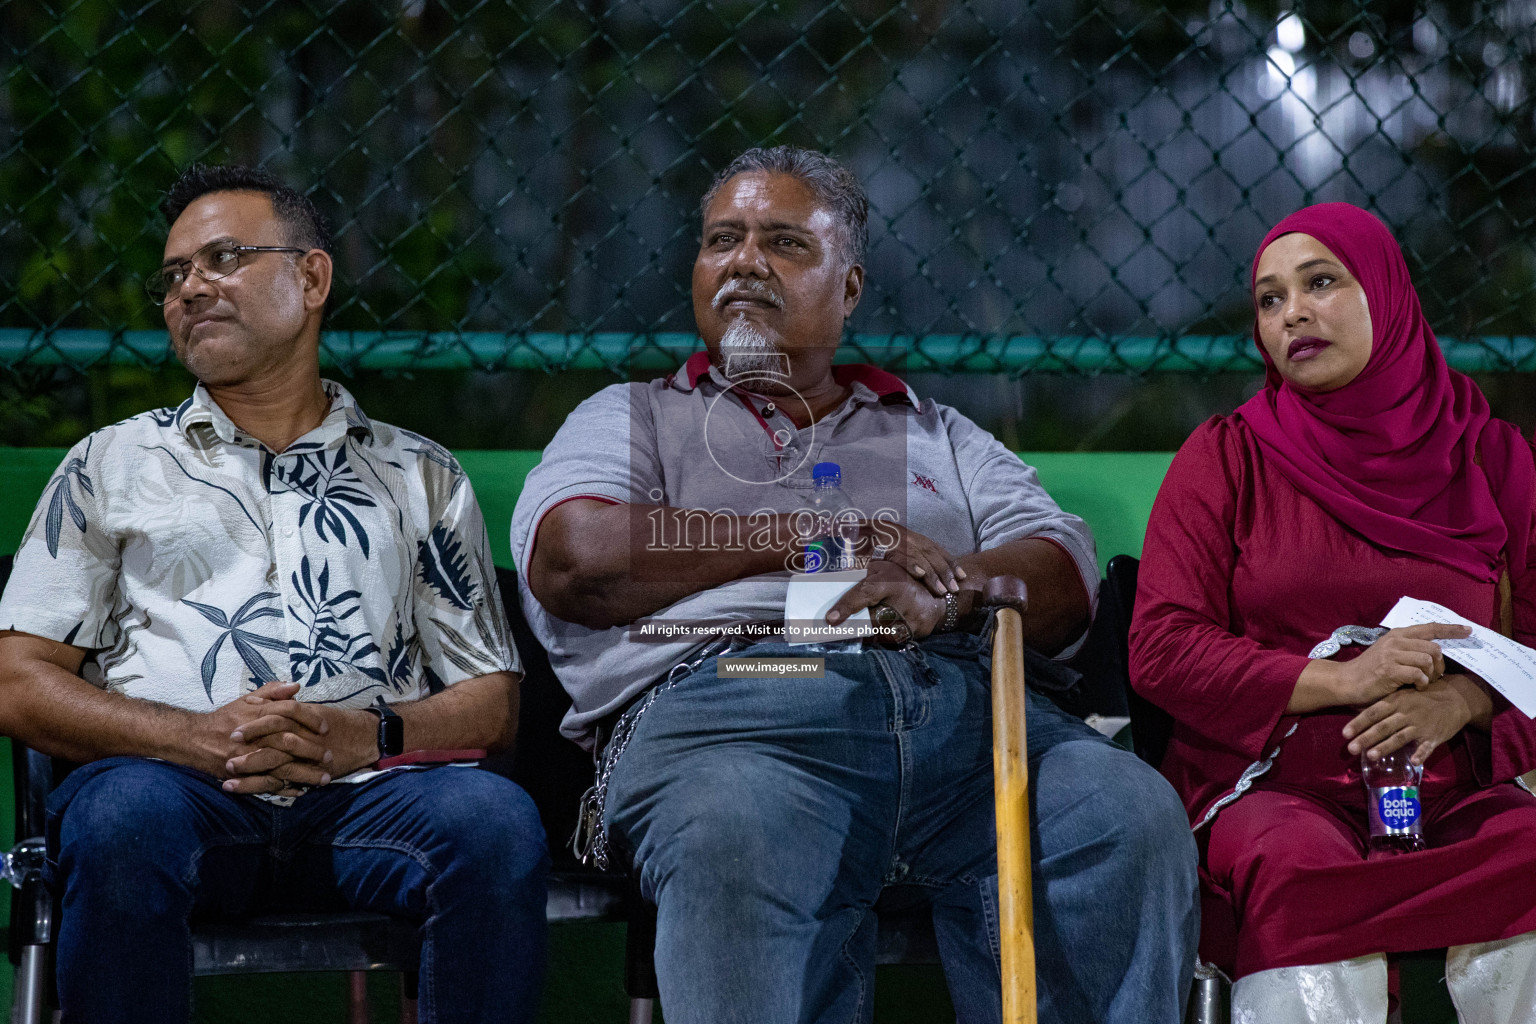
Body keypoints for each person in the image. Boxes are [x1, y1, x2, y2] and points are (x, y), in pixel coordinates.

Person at [512, 145, 1198, 1023]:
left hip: (963, 719)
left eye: (786, 243)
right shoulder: (634, 416)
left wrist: (952, 592)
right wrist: (813, 537)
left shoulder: (936, 431)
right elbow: (576, 558)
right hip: (743, 711)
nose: (745, 261)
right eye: (722, 239)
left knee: (1122, 815)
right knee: (738, 830)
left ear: (850, 288)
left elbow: (1059, 570)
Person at [0, 165, 548, 1024]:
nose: (191, 288)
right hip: (172, 795)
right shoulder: (109, 465)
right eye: (175, 274)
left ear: (313, 277)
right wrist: (196, 739)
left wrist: (363, 736)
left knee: (494, 824)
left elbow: (491, 703)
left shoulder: (419, 474)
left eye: (223, 258)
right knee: (121, 823)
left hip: (370, 801)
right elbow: (17, 679)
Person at [1130, 201, 1536, 1023]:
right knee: (1297, 871)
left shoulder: (1492, 456)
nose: (1294, 314)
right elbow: (1162, 648)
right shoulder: (1227, 455)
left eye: (1321, 283)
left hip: (1455, 786)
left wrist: (1462, 700)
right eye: (1270, 300)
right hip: (1279, 787)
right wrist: (1341, 681)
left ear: (1385, 294)